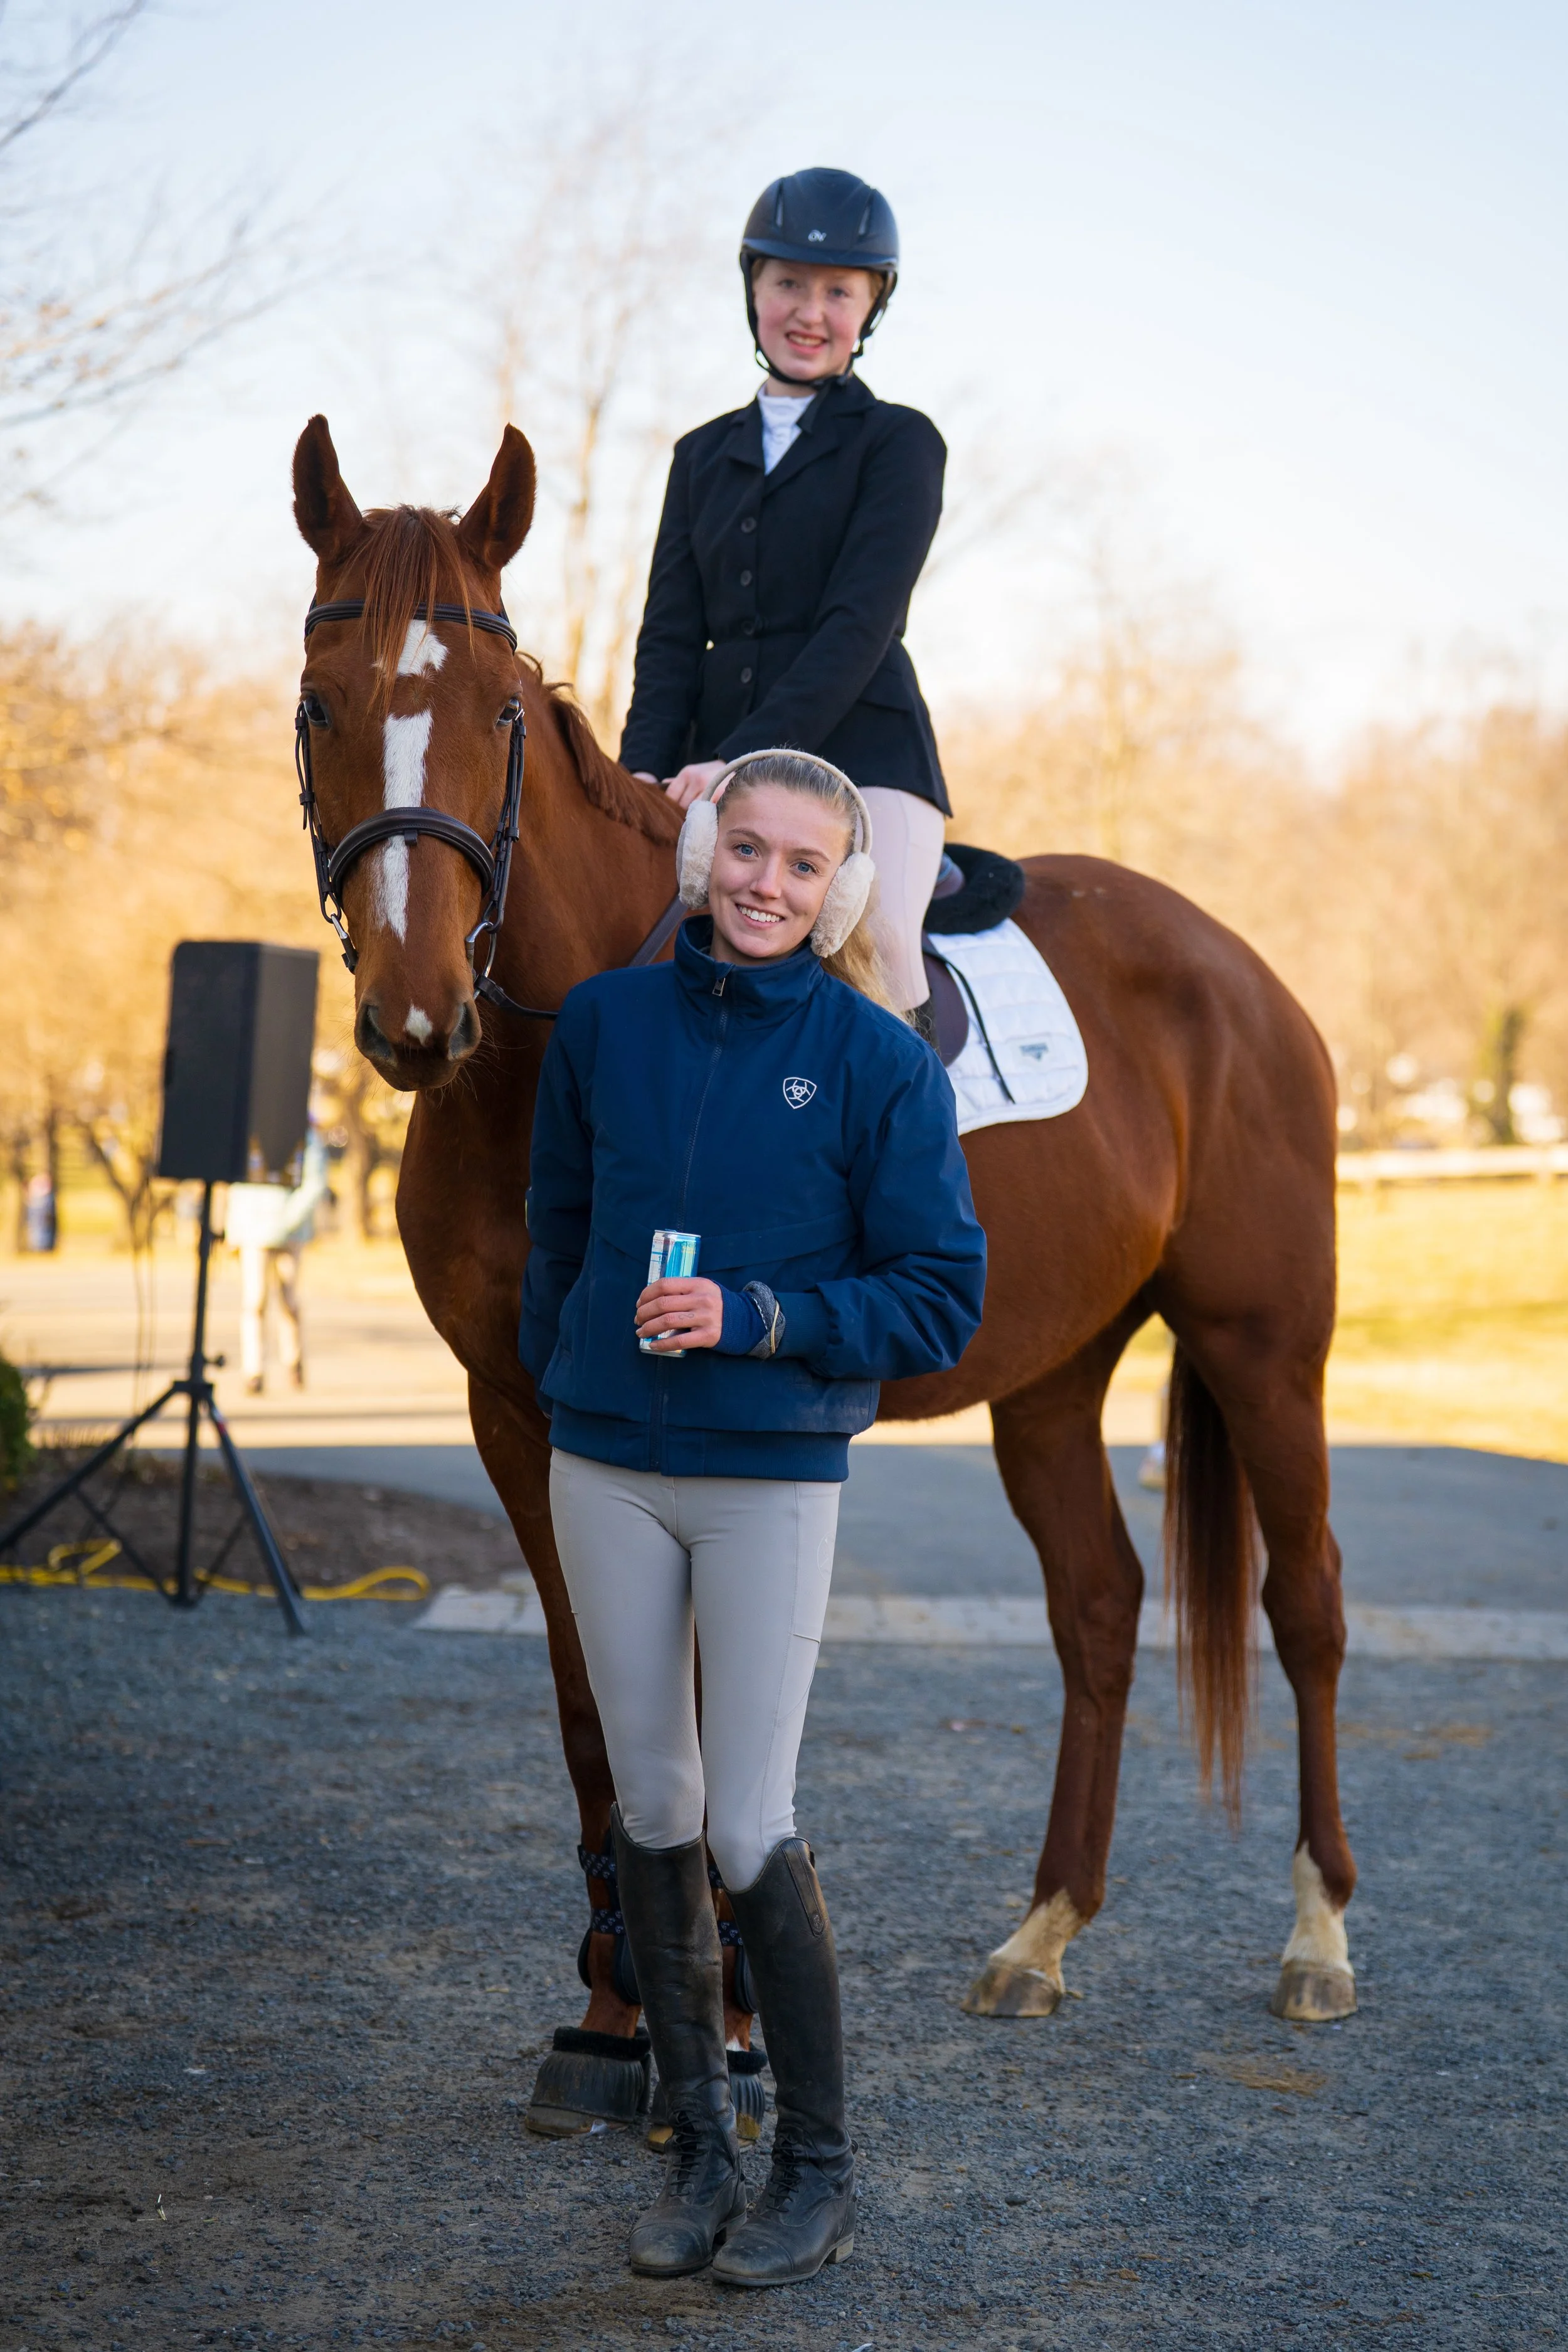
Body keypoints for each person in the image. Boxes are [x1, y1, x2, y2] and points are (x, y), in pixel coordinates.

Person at [520, 750, 985, 2287]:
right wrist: (566, 1362)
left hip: (767, 1474)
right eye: (747, 849)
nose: (767, 883)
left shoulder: (879, 1063)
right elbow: (561, 1225)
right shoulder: (601, 1023)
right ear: (703, 849)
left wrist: (758, 1311)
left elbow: (939, 1299)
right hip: (603, 1464)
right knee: (649, 1803)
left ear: (840, 884)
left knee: (741, 1816)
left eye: (802, 863)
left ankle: (815, 2169)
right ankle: (700, 2149)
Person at [620, 167, 951, 1043]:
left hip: (866, 754)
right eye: (789, 284)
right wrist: (640, 774)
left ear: (870, 307)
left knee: (876, 941)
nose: (811, 311)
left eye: (839, 291)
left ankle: (914, 1165)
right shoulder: (699, 457)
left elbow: (860, 625)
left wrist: (740, 757)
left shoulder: (900, 443)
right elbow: (669, 636)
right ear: (754, 292)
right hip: (705, 767)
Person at [225, 1125, 331, 1394]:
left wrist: (285, 1222)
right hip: (252, 1233)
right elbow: (237, 1185)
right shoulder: (250, 1133)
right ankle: (253, 1370)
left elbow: (314, 1184)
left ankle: (293, 1360)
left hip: (289, 1232)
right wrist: (233, 1231)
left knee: (289, 1300)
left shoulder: (305, 1136)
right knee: (254, 1300)